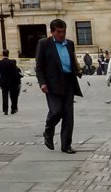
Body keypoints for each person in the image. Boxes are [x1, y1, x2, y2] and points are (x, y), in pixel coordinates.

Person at [35, 18, 84, 154]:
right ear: (52, 32)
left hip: (68, 81)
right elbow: (39, 66)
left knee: (68, 115)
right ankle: (48, 131)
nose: (62, 34)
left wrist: (78, 70)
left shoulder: (70, 44)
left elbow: (72, 59)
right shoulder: (44, 44)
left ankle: (66, 145)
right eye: (59, 32)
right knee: (56, 111)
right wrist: (42, 83)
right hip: (52, 84)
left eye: (64, 31)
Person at [0, 49, 22, 115]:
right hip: (12, 82)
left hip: (3, 82)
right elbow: (15, 73)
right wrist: (18, 81)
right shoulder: (12, 62)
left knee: (5, 96)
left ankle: (5, 110)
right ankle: (13, 109)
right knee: (13, 96)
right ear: (8, 54)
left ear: (2, 54)